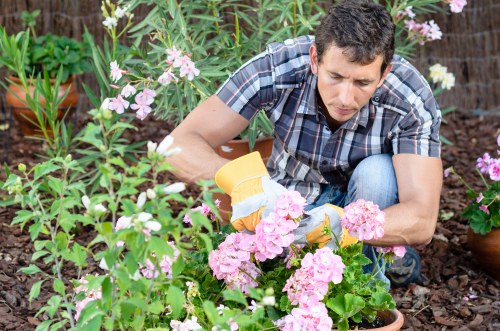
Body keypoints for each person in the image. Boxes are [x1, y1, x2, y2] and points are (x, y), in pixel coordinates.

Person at [167, 0, 443, 287]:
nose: (346, 98)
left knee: (377, 171)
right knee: (247, 283)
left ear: (383, 74)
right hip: (287, 198)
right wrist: (246, 184)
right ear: (314, 59)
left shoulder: (409, 98)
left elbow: (421, 218)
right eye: (335, 77)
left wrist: (338, 224)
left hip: (365, 204)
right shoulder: (278, 68)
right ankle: (385, 262)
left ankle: (362, 285)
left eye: (363, 83)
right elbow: (177, 145)